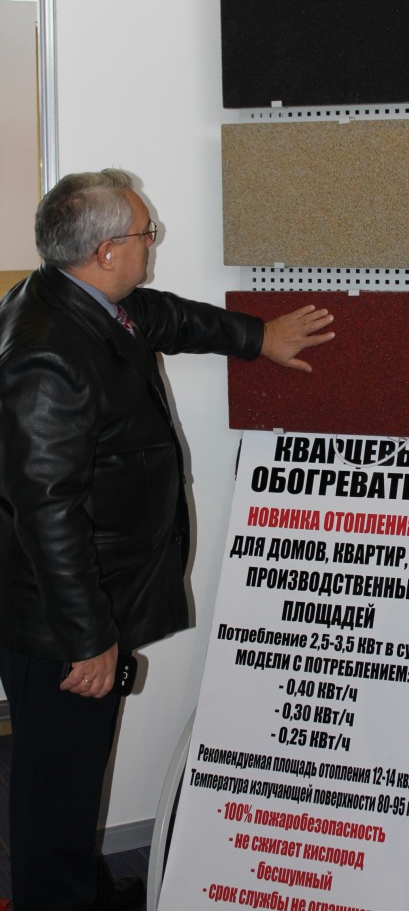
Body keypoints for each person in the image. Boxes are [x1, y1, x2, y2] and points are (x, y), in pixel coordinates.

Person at [0, 169, 335, 911]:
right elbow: (47, 512)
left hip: (81, 602)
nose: (152, 243)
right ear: (106, 251)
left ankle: (77, 888)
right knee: (56, 787)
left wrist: (256, 338)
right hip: (61, 621)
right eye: (145, 233)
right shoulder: (48, 353)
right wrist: (88, 638)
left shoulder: (76, 297)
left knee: (71, 774)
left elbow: (161, 317)